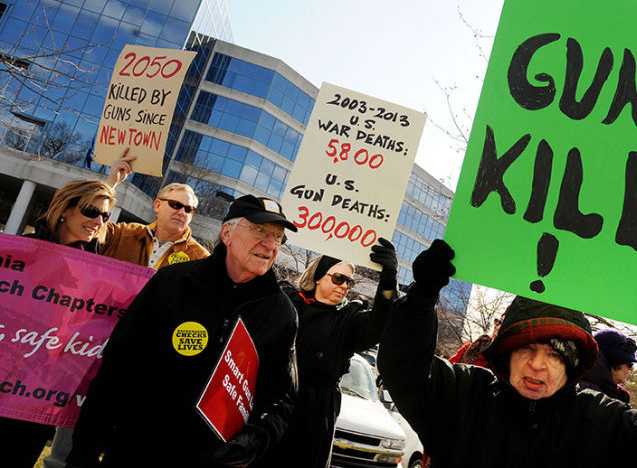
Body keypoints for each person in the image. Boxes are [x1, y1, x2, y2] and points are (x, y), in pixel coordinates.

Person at [377, 239, 637, 468]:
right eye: (527, 347)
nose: (536, 364)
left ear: (574, 364)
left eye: (556, 354)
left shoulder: (601, 422)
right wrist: (421, 298)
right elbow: (403, 367)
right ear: (506, 352)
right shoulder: (463, 395)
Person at [66, 195, 299, 468]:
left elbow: (281, 396)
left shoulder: (281, 313)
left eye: (277, 237)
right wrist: (84, 453)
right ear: (227, 233)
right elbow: (118, 369)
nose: (270, 244)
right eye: (260, 231)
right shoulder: (172, 282)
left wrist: (253, 442)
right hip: (137, 449)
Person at [0, 180, 117, 468]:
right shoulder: (19, 249)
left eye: (105, 215)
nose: (98, 221)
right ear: (65, 209)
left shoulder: (96, 267)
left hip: (39, 391)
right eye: (91, 211)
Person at [257, 241, 398, 468]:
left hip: (313, 422)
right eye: (338, 278)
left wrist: (389, 279)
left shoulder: (347, 321)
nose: (344, 286)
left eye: (349, 282)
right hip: (269, 410)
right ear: (319, 277)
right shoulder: (288, 302)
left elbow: (381, 321)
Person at [578, 327, 637, 403]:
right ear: (612, 361)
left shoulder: (619, 394)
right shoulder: (583, 392)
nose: (631, 369)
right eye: (629, 364)